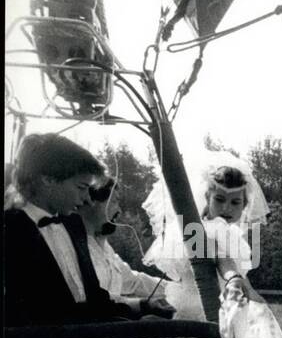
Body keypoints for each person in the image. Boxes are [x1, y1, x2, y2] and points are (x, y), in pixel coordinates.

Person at [3, 133, 136, 326]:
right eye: (81, 187)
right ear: (47, 179)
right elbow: (31, 311)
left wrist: (140, 311)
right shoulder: (11, 230)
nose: (87, 199)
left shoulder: (74, 225)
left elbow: (94, 298)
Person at [142, 151, 266, 321]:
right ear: (208, 197)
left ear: (244, 205)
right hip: (198, 307)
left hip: (224, 304)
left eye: (235, 202)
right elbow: (219, 255)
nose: (226, 208)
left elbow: (237, 269)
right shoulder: (203, 229)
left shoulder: (232, 234)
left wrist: (249, 290)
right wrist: (234, 278)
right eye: (220, 200)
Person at [76, 176, 174, 318]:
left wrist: (178, 290)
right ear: (92, 201)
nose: (119, 211)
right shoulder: (74, 246)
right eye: (114, 201)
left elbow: (134, 281)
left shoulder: (104, 247)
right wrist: (142, 304)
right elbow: (93, 298)